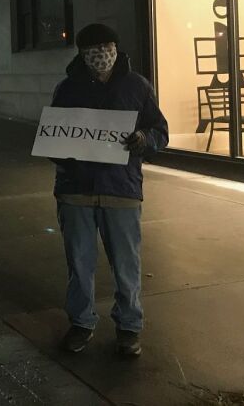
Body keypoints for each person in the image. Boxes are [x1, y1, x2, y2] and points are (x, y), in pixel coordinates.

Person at [51, 23, 168, 357]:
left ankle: (129, 326)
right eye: (92, 49)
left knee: (127, 264)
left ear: (116, 48)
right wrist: (60, 153)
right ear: (81, 53)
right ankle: (81, 322)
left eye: (106, 47)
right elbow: (52, 135)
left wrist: (144, 140)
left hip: (121, 189)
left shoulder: (137, 87)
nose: (100, 55)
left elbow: (159, 131)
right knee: (79, 263)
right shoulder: (67, 89)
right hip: (76, 190)